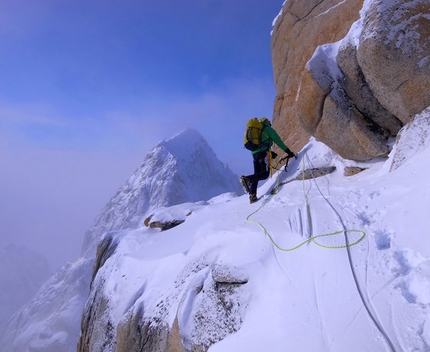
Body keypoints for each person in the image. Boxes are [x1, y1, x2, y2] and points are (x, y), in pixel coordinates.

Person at [241, 117, 295, 203]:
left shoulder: (256, 131)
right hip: (264, 154)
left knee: (257, 174)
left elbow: (261, 143)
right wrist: (288, 152)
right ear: (266, 122)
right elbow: (278, 141)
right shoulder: (268, 129)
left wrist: (271, 153)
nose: (270, 122)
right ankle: (247, 179)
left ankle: (252, 196)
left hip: (255, 154)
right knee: (265, 174)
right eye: (268, 121)